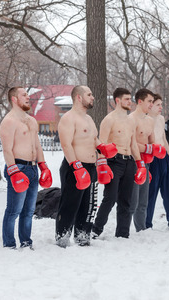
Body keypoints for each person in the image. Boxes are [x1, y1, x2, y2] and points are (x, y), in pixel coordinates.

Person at [56, 85, 117, 247]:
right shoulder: (68, 118)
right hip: (74, 167)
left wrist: (102, 148)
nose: (93, 97)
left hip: (91, 167)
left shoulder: (89, 119)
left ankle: (83, 237)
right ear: (79, 97)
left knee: (89, 206)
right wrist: (76, 167)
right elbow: (66, 145)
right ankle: (62, 238)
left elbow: (93, 139)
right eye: (89, 94)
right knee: (70, 204)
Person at [0, 86, 53, 250]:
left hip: (32, 168)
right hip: (18, 167)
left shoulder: (31, 120)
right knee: (14, 210)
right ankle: (9, 244)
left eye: (27, 94)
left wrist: (43, 165)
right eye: (24, 95)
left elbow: (36, 144)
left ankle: (26, 241)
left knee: (29, 210)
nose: (28, 97)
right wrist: (13, 171)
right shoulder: (8, 121)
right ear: (14, 99)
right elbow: (7, 149)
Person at [92, 88, 147, 239]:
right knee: (110, 198)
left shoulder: (131, 121)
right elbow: (101, 144)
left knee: (126, 200)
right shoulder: (109, 120)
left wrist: (140, 163)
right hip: (113, 161)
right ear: (118, 100)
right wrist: (102, 164)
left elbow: (133, 143)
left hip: (129, 162)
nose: (130, 102)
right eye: (127, 99)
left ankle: (122, 234)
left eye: (130, 99)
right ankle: (96, 230)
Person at [129, 88, 166, 232]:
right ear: (140, 101)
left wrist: (154, 150)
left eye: (152, 101)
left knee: (144, 201)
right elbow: (131, 144)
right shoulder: (131, 119)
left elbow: (151, 143)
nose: (151, 104)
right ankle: (123, 230)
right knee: (133, 200)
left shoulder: (150, 120)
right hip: (133, 163)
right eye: (149, 101)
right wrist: (149, 149)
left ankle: (141, 229)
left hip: (146, 163)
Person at [146, 94, 169, 230]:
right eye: (158, 105)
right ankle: (146, 223)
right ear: (150, 105)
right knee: (151, 192)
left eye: (161, 104)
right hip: (152, 157)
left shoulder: (161, 119)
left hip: (165, 157)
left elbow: (164, 138)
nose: (161, 107)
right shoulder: (145, 119)